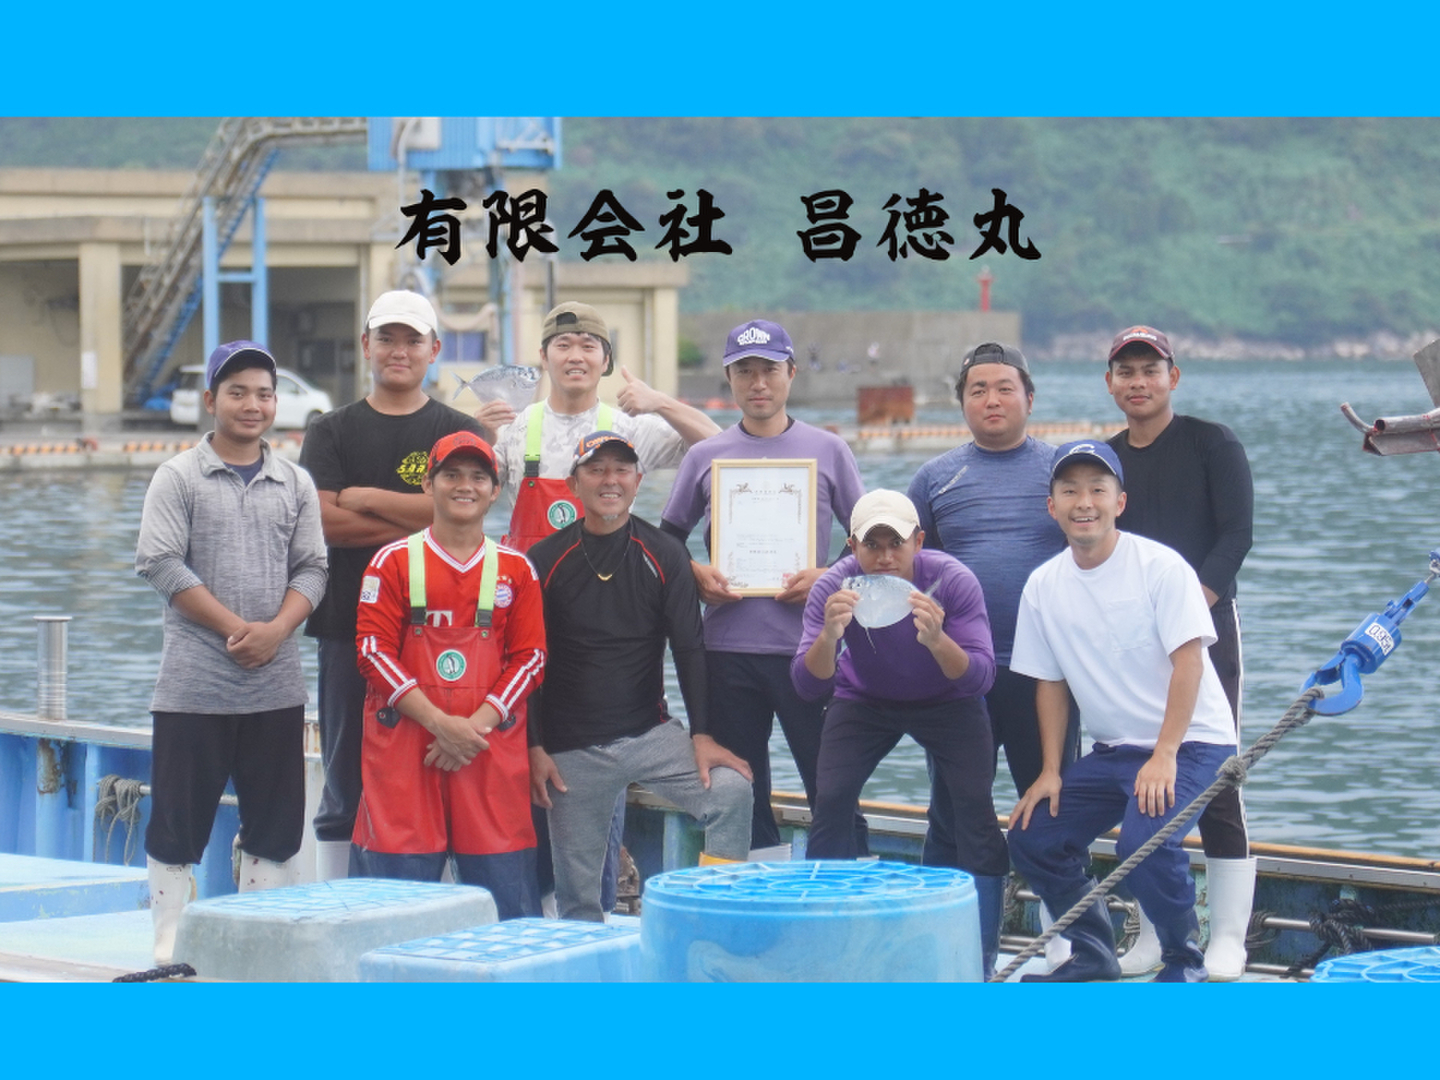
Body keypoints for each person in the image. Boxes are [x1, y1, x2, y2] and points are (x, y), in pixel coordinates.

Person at [475, 300, 719, 913]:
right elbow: (458, 492)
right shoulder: (517, 428)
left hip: (610, 621)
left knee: (596, 765)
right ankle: (531, 908)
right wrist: (473, 430)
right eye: (564, 344)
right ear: (543, 357)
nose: (576, 355)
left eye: (589, 345)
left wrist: (660, 402)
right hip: (530, 619)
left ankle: (595, 906)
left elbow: (717, 446)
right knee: (526, 765)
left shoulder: (628, 424)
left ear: (606, 360)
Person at [1007, 440, 1237, 983]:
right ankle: (1094, 954)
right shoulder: (1043, 585)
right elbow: (1049, 682)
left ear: (1119, 501)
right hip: (1113, 751)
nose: (1084, 502)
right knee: (1032, 836)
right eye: (1070, 491)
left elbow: (1189, 664)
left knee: (1144, 843)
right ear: (1052, 507)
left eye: (1097, 490)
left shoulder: (1162, 568)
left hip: (1192, 743)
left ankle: (1184, 962)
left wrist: (1165, 753)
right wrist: (1050, 770)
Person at [136, 340, 328, 963]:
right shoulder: (178, 477)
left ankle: (256, 932)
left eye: (263, 394)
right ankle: (170, 934)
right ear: (211, 399)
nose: (252, 405)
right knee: (177, 818)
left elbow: (314, 568)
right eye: (237, 392)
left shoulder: (295, 481)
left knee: (276, 823)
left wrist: (278, 628)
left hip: (276, 684)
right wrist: (235, 629)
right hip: (194, 684)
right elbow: (160, 562)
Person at [526, 431, 753, 921]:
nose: (610, 480)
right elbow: (529, 662)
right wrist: (534, 746)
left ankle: (714, 915)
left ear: (638, 479)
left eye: (621, 469)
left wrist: (703, 736)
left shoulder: (665, 553)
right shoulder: (543, 561)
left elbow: (689, 647)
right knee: (579, 902)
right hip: (571, 749)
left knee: (732, 792)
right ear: (573, 484)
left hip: (650, 735)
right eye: (596, 470)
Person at [660, 318, 868, 853]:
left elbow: (868, 539)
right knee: (742, 793)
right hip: (727, 652)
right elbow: (667, 540)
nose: (758, 383)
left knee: (833, 788)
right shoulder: (706, 456)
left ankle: (847, 886)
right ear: (729, 379)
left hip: (810, 649)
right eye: (744, 372)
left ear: (791, 374)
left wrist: (828, 576)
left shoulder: (829, 450)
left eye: (769, 370)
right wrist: (694, 572)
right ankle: (756, 888)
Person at [907, 341, 1081, 971]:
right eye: (977, 389)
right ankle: (953, 951)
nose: (992, 399)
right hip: (961, 676)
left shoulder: (1063, 469)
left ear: (1029, 398)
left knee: (1056, 807)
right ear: (962, 403)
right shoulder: (935, 477)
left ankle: (1066, 948)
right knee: (954, 812)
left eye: (1005, 387)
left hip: (1047, 675)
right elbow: (900, 565)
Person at [300, 289, 482, 880]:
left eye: (412, 340)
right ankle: (337, 898)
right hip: (347, 626)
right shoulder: (330, 430)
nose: (399, 351)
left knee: (441, 766)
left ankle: (438, 904)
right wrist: (424, 517)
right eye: (387, 338)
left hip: (445, 632)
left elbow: (465, 513)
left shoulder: (460, 429)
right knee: (345, 772)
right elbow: (323, 523)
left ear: (435, 349)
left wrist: (368, 498)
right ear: (366, 345)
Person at [794, 490, 1009, 976]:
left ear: (919, 541)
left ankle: (980, 956)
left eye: (897, 543)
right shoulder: (833, 587)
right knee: (831, 800)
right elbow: (807, 685)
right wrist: (829, 636)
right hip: (864, 699)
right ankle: (827, 943)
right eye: (872, 545)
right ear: (852, 546)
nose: (886, 557)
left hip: (948, 700)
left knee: (974, 810)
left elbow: (980, 678)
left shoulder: (952, 581)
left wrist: (937, 640)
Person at [1103, 324, 1256, 980]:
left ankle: (1229, 936)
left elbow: (1236, 535)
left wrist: (1190, 609)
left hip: (1207, 629)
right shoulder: (1107, 460)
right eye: (1126, 371)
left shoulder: (1211, 442)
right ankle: (1153, 932)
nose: (1139, 382)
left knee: (1218, 777)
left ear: (1174, 377)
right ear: (1110, 383)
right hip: (1131, 642)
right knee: (1139, 776)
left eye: (1150, 370)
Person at [352, 432, 545, 917]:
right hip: (407, 750)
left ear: (495, 490)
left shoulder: (517, 569)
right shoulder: (391, 561)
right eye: (451, 475)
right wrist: (441, 724)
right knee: (391, 910)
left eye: (478, 477)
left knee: (505, 907)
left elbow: (531, 659)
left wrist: (471, 729)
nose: (465, 486)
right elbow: (372, 651)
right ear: (428, 484)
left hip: (486, 750)